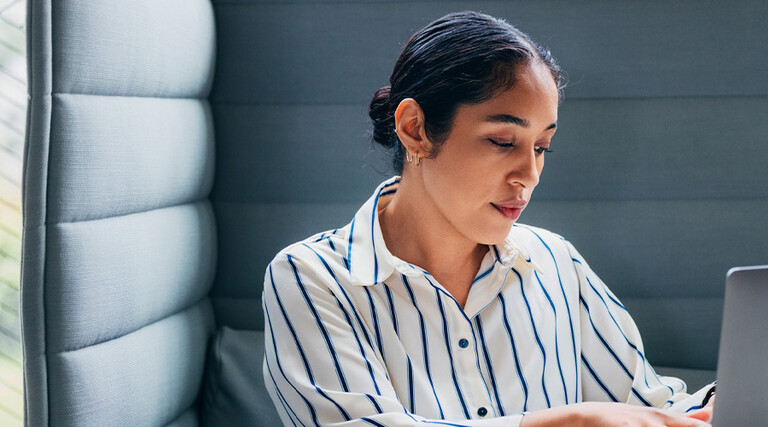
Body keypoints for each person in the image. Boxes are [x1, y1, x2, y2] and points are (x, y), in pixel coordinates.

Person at [262, 11, 716, 426]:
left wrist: (729, 400)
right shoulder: (309, 278)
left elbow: (652, 408)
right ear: (414, 129)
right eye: (503, 141)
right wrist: (567, 422)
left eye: (542, 147)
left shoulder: (556, 261)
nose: (530, 175)